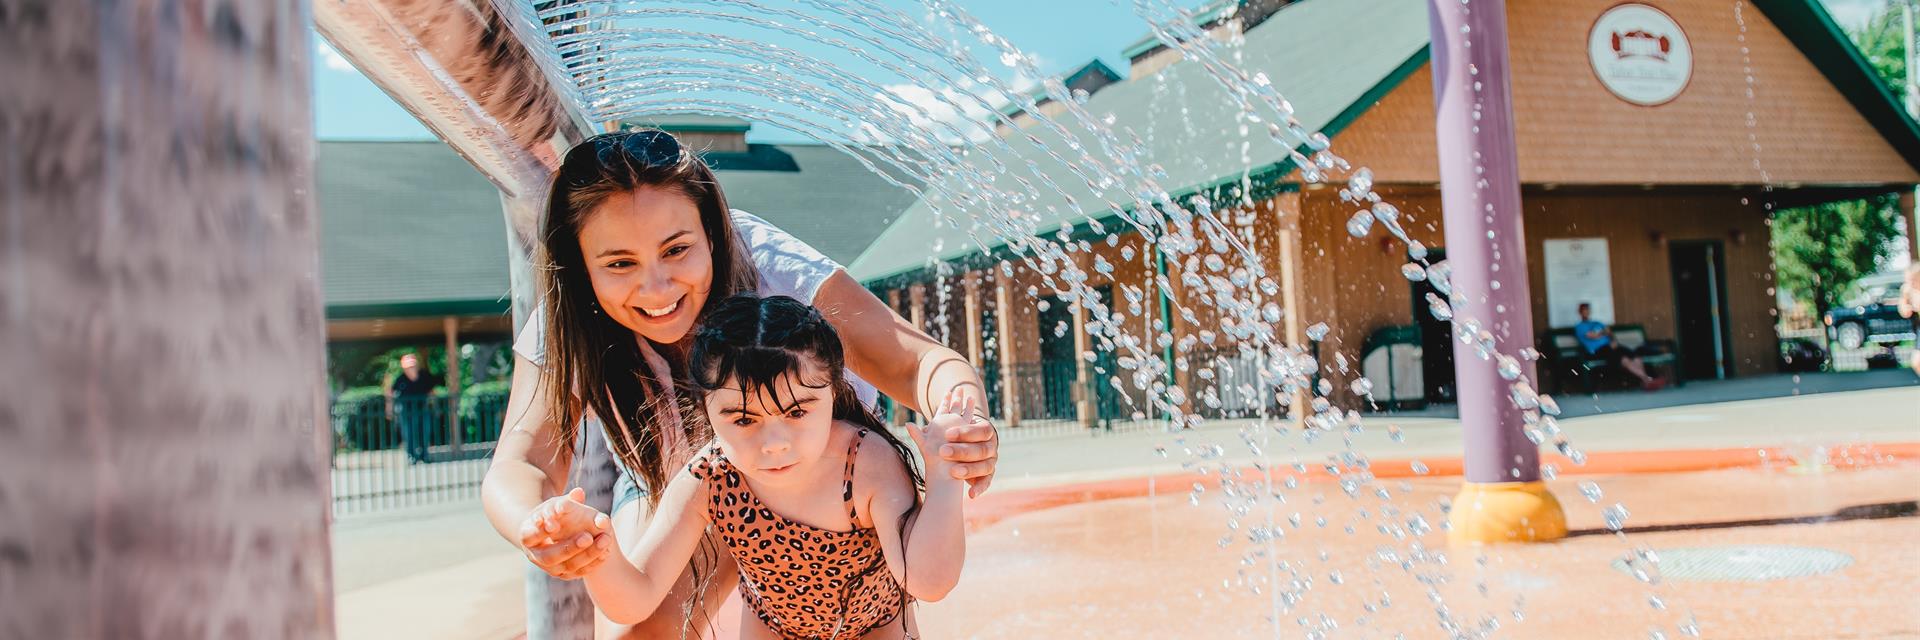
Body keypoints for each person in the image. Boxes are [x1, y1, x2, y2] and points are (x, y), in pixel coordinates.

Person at [480, 129, 1000, 638]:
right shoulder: (570, 317)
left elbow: (918, 363)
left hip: (827, 483)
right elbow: (522, 460)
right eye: (619, 263)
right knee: (640, 629)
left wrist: (964, 423)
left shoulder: (769, 266)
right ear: (581, 267)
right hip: (697, 479)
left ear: (713, 232)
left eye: (677, 250)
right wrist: (541, 523)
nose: (656, 286)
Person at [585, 294, 967, 638]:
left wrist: (945, 477)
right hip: (773, 628)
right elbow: (635, 599)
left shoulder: (865, 464)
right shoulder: (710, 476)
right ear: (705, 410)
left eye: (797, 411)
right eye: (743, 420)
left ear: (832, 393)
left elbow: (927, 582)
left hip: (875, 626)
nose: (774, 444)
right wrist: (595, 554)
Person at [1573, 303, 1664, 391]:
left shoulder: (1598, 323)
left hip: (1611, 346)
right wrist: (1604, 332)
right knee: (1623, 359)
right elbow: (1592, 335)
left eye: (1588, 310)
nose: (1586, 312)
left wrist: (1612, 340)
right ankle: (1646, 380)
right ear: (1580, 312)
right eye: (1584, 310)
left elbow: (1610, 333)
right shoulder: (1579, 326)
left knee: (1634, 355)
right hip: (1597, 351)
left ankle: (1646, 380)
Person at [387, 352, 438, 464]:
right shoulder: (400, 379)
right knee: (408, 434)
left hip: (423, 409)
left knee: (425, 432)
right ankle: (411, 456)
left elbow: (432, 392)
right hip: (406, 411)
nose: (411, 368)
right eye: (408, 366)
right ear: (404, 368)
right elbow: (390, 392)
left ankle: (424, 455)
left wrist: (435, 407)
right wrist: (389, 409)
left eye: (413, 365)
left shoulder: (424, 376)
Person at [1899, 264, 1920, 374]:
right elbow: (1903, 309)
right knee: (1916, 361)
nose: (1909, 282)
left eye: (1912, 279)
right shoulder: (1907, 290)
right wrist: (1905, 308)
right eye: (1907, 279)